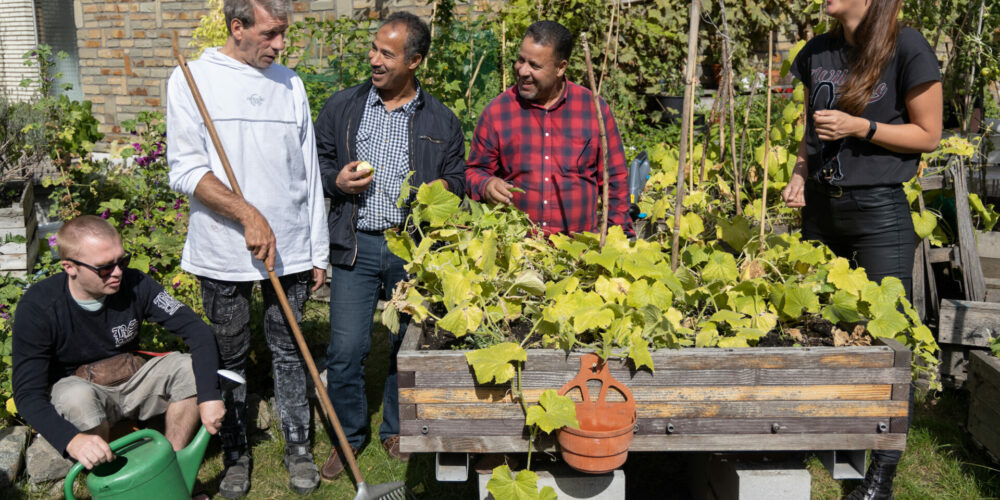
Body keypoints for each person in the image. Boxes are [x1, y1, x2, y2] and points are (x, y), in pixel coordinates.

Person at [166, 0, 329, 496]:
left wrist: (316, 248)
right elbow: (186, 170)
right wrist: (248, 215)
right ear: (236, 28)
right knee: (229, 353)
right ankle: (235, 453)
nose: (280, 45)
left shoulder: (290, 84)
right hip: (223, 251)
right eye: (271, 34)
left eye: (284, 34)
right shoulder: (192, 79)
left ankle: (298, 445)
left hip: (292, 251)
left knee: (290, 350)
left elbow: (308, 171)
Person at [781, 0, 942, 498]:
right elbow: (812, 133)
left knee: (889, 339)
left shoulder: (906, 46)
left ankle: (881, 475)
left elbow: (929, 135)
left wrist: (862, 127)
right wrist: (799, 173)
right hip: (822, 211)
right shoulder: (816, 52)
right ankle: (827, 438)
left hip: (879, 212)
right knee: (818, 324)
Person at [313, 11, 465, 480]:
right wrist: (336, 181)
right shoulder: (343, 107)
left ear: (414, 60)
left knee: (408, 346)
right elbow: (312, 166)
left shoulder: (442, 119)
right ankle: (349, 437)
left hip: (410, 250)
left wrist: (435, 192)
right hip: (356, 245)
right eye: (374, 48)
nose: (374, 60)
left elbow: (458, 181)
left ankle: (397, 429)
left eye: (387, 53)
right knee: (345, 350)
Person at [12, 216, 226, 472]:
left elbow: (197, 331)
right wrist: (71, 440)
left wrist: (210, 396)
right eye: (104, 267)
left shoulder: (135, 283)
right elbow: (26, 393)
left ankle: (172, 468)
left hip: (134, 379)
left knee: (187, 368)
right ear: (70, 267)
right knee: (76, 397)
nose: (118, 273)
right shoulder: (39, 307)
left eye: (122, 261)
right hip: (80, 389)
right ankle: (111, 479)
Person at [466, 20, 631, 236]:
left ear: (560, 68)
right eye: (520, 60)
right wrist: (485, 184)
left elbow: (615, 179)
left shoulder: (593, 109)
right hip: (518, 252)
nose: (523, 71)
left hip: (578, 252)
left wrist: (616, 237)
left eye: (534, 66)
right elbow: (473, 171)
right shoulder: (498, 112)